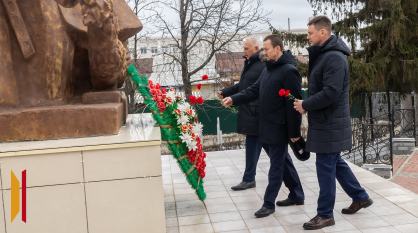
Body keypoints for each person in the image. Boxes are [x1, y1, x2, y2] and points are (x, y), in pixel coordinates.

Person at [293, 16, 373, 230]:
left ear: (323, 33)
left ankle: (325, 215)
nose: (307, 37)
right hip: (327, 122)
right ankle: (360, 197)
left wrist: (306, 105)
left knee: (325, 168)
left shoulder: (334, 58)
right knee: (334, 163)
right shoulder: (325, 56)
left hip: (330, 123)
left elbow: (331, 92)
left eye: (310, 33)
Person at [222, 35, 305, 218]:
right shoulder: (268, 69)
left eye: (266, 49)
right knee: (282, 162)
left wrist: (294, 133)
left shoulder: (289, 71)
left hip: (279, 127)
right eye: (264, 49)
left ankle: (269, 203)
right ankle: (297, 194)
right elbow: (253, 91)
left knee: (275, 166)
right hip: (265, 125)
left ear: (278, 49)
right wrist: (233, 98)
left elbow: (294, 104)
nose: (264, 52)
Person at [217, 37, 268, 191]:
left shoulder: (262, 65)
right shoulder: (250, 63)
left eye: (246, 48)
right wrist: (226, 92)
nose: (243, 51)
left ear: (256, 48)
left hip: (257, 112)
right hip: (250, 112)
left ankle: (250, 179)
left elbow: (254, 90)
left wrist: (233, 99)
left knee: (271, 150)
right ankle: (249, 179)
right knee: (257, 147)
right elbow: (243, 86)